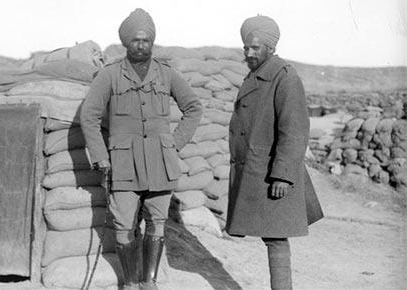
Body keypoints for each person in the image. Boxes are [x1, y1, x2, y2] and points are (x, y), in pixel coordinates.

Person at [80, 8, 202, 290]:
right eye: (135, 40)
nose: (141, 45)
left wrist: (174, 144)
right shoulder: (109, 75)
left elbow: (194, 108)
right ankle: (131, 283)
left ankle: (149, 282)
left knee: (157, 223)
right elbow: (89, 115)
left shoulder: (167, 74)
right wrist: (100, 157)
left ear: (153, 41)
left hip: (160, 163)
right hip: (122, 165)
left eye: (147, 40)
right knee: (123, 226)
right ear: (125, 42)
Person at [226, 15, 324, 290]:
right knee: (272, 237)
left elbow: (294, 130)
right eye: (246, 47)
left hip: (272, 172)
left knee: (276, 237)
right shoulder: (255, 75)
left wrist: (282, 175)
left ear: (270, 47)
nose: (249, 52)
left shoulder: (284, 76)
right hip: (258, 169)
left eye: (255, 47)